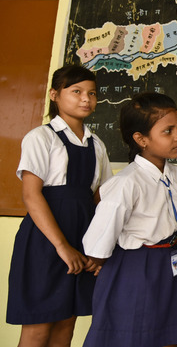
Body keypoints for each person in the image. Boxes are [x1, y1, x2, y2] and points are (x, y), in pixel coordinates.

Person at [6, 65, 112, 347]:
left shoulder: (97, 145)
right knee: (39, 328)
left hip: (82, 240)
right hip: (45, 242)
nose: (85, 99)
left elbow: (99, 199)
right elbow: (31, 195)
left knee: (66, 325)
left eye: (91, 93)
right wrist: (62, 246)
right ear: (54, 94)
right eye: (76, 91)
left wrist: (97, 250)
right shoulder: (41, 138)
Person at [82, 92, 177, 347]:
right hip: (134, 270)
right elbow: (96, 245)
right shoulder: (125, 183)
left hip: (171, 267)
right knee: (134, 337)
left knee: (169, 337)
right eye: (168, 131)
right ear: (141, 139)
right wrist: (102, 262)